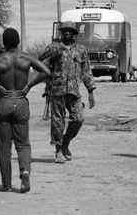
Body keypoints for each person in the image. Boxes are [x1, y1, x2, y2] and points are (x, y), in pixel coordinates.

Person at [0, 28, 51, 193]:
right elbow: (46, 71)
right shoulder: (26, 58)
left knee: (4, 147)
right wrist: (29, 85)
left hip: (4, 101)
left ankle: (6, 185)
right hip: (20, 102)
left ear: (3, 43)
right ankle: (24, 171)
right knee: (23, 143)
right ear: (18, 41)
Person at [39, 21, 96, 164]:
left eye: (70, 31)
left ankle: (65, 143)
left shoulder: (81, 50)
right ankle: (58, 151)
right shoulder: (54, 47)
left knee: (78, 119)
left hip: (73, 91)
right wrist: (47, 75)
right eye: (64, 30)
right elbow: (40, 61)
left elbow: (86, 72)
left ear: (74, 33)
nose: (67, 33)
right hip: (57, 90)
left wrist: (91, 91)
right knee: (57, 122)